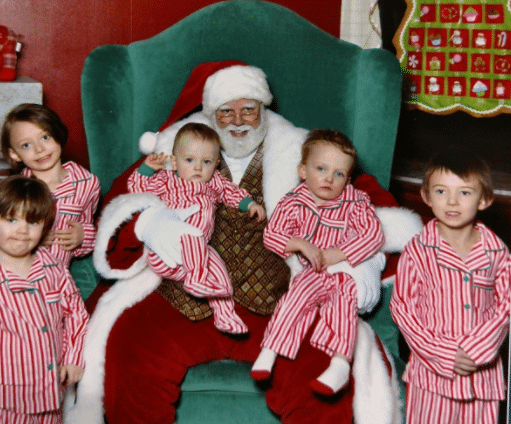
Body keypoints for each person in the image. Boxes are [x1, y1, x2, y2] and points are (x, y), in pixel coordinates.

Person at [68, 62, 411, 424]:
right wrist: (150, 223)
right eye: (226, 111)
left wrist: (351, 264)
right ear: (210, 114)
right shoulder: (175, 150)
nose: (238, 120)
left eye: (248, 109)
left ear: (264, 109)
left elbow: (374, 214)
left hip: (275, 298)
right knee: (129, 353)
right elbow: (122, 202)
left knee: (321, 374)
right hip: (181, 294)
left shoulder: (306, 155)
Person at [252, 129, 384, 396]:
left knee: (343, 301)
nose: (329, 178)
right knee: (297, 294)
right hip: (313, 270)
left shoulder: (355, 202)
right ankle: (270, 350)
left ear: (348, 179)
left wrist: (341, 253)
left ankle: (340, 363)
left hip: (345, 270)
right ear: (303, 171)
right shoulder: (292, 202)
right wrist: (300, 243)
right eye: (321, 168)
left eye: (339, 174)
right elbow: (272, 236)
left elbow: (373, 235)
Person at [390, 149, 510, 424]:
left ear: (484, 199)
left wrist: (478, 349)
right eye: (442, 191)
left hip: (482, 382)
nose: (452, 202)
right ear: (426, 196)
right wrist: (446, 353)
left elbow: (506, 305)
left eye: (465, 193)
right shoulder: (418, 251)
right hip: (432, 380)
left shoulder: (497, 252)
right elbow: (403, 309)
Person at [127, 122, 266, 334]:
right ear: (173, 162)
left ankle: (225, 315)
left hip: (197, 256)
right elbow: (137, 189)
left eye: (206, 161)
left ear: (216, 164)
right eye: (189, 160)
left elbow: (231, 192)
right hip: (165, 253)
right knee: (190, 233)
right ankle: (197, 279)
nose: (198, 168)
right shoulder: (166, 180)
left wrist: (250, 204)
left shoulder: (214, 183)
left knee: (218, 267)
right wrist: (146, 169)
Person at [0, 175, 89, 423]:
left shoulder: (52, 268)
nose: (22, 229)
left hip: (50, 393)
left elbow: (76, 313)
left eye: (32, 222)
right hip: (2, 397)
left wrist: (74, 358)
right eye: (11, 219)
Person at [0, 103, 101, 269]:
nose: (39, 149)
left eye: (45, 137)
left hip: (57, 275)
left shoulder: (88, 183)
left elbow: (87, 226)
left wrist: (83, 236)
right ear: (14, 154)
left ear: (57, 133)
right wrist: (31, 240)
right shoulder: (13, 189)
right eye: (26, 145)